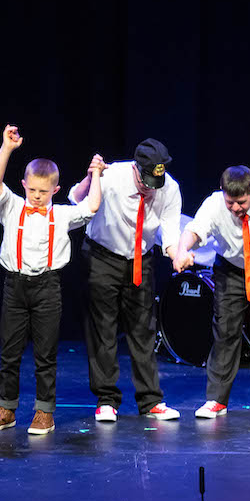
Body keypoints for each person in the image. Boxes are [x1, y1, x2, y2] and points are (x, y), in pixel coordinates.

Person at [0, 126, 102, 435]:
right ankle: (7, 408)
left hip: (47, 287)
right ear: (24, 185)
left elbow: (91, 207)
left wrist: (96, 175)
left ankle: (44, 412)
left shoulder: (61, 215)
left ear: (55, 191)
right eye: (32, 190)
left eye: (43, 192)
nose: (36, 197)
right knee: (9, 352)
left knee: (45, 354)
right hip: (15, 285)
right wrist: (7, 148)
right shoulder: (12, 208)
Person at [172, 120, 250, 419]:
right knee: (226, 333)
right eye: (231, 202)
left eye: (241, 202)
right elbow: (195, 230)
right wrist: (181, 250)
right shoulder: (216, 204)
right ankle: (216, 400)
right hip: (231, 270)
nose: (236, 208)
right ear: (222, 193)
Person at [69, 140, 183, 423]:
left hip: (140, 261)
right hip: (102, 257)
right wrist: (91, 175)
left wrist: (176, 255)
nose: (150, 187)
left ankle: (150, 400)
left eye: (155, 181)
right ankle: (106, 399)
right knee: (103, 329)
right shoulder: (113, 176)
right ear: (136, 168)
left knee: (143, 330)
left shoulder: (169, 188)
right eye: (145, 181)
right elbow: (75, 198)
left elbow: (169, 231)